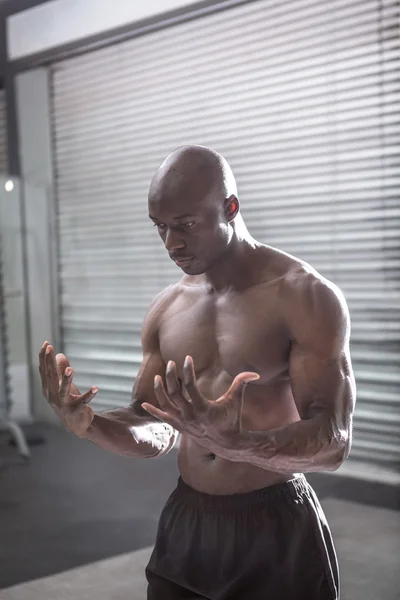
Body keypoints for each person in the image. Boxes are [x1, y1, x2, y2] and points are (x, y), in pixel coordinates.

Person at [39, 145, 355, 600]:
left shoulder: (304, 296)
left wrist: (241, 445)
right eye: (161, 228)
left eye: (185, 225)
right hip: (189, 519)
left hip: (275, 524)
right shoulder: (168, 308)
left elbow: (334, 442)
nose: (172, 244)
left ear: (230, 207)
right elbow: (154, 426)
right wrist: (92, 426)